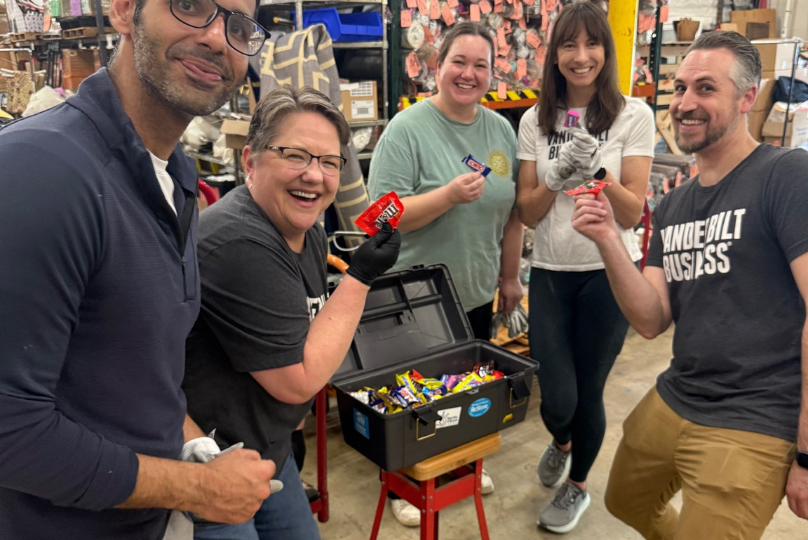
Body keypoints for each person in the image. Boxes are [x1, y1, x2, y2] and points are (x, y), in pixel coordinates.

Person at [0, 0, 279, 538]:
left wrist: (191, 446)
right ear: (125, 10)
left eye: (239, 25)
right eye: (191, 5)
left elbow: (136, 370)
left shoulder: (175, 176)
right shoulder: (41, 172)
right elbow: (9, 429)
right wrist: (196, 488)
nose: (218, 39)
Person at [571, 31, 808, 539]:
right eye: (680, 88)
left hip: (757, 416)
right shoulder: (675, 204)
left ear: (747, 98)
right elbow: (651, 319)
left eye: (706, 88)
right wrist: (608, 239)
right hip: (680, 392)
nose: (684, 103)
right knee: (623, 500)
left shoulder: (786, 176)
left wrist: (807, 453)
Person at [182, 85, 401, 540]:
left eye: (329, 162)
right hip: (211, 463)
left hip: (266, 447)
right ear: (250, 161)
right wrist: (361, 277)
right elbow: (298, 380)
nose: (314, 175)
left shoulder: (308, 232)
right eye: (295, 155)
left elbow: (303, 331)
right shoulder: (240, 242)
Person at [367, 21, 523, 527]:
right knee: (413, 395)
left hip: (474, 291)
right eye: (459, 61)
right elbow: (381, 215)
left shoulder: (500, 130)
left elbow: (513, 213)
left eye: (481, 65)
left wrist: (509, 278)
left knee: (465, 386)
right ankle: (404, 481)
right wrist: (446, 197)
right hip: (414, 295)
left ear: (492, 73)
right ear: (437, 66)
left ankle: (462, 461)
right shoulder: (406, 129)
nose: (468, 74)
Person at [515, 2, 654, 533]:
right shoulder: (534, 120)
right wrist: (555, 177)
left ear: (606, 51)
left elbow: (632, 212)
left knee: (588, 391)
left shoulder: (633, 115)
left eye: (592, 43)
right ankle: (561, 439)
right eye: (568, 45)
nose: (581, 56)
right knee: (557, 397)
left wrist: (598, 171)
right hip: (552, 270)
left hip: (608, 273)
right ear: (554, 55)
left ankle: (577, 485)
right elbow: (527, 212)